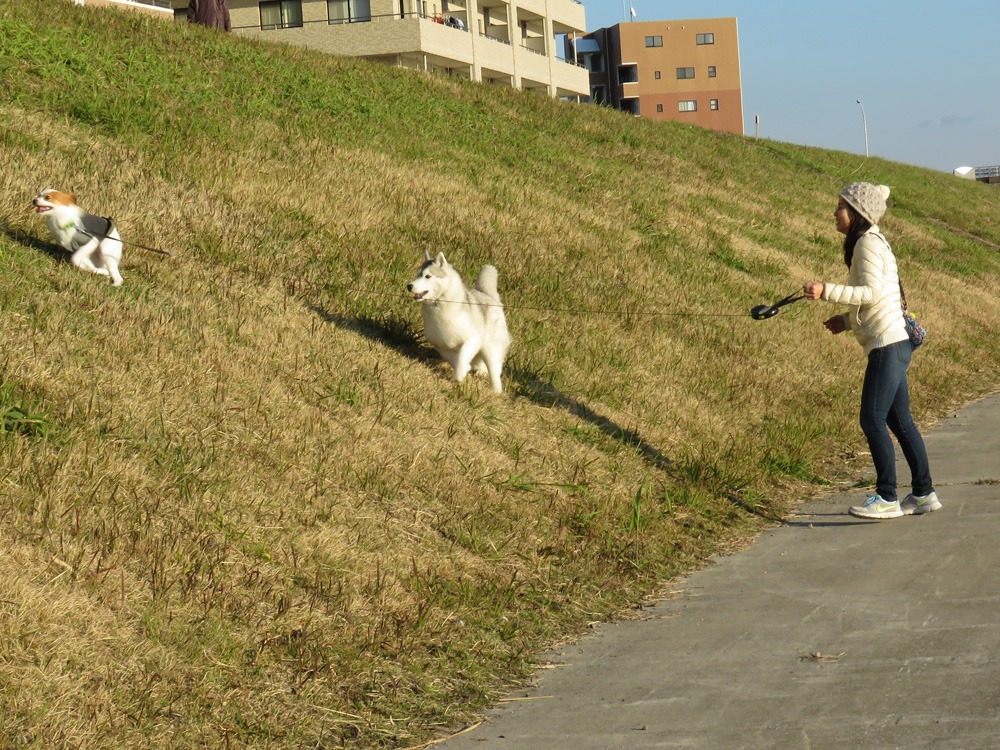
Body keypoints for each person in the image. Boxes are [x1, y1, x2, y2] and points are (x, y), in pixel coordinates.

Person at [803, 182, 940, 519]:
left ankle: (887, 497)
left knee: (872, 419)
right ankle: (923, 493)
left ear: (857, 214)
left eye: (840, 207)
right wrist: (847, 322)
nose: (835, 213)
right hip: (893, 341)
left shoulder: (866, 243)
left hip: (887, 345)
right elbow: (883, 300)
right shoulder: (873, 242)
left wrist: (826, 290)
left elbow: (871, 292)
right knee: (899, 420)